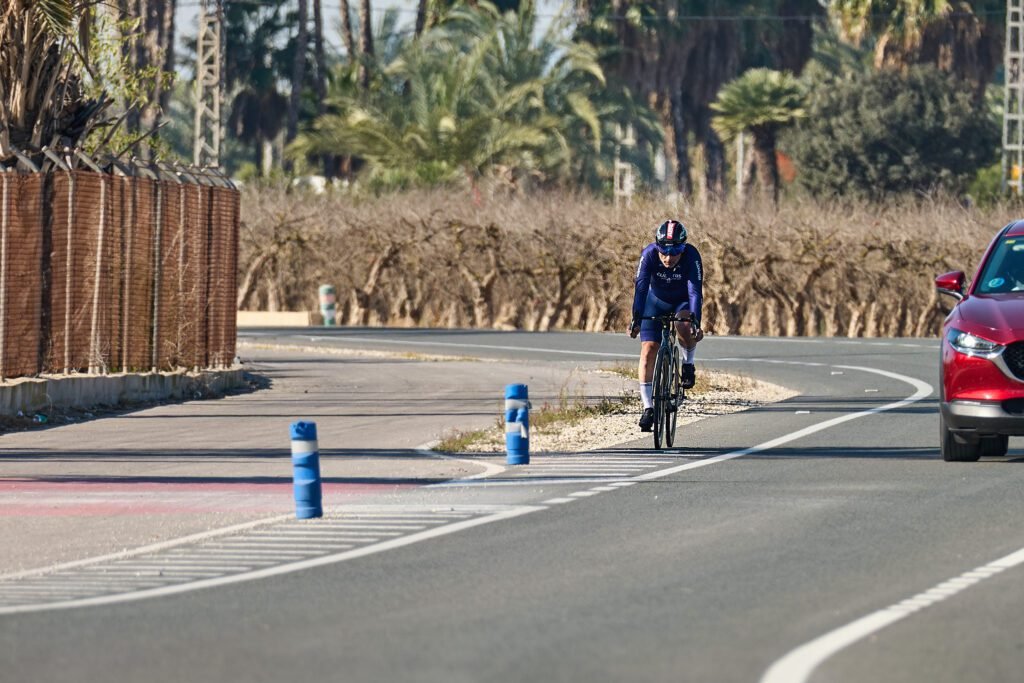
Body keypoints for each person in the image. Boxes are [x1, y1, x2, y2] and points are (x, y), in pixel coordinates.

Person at [629, 219, 704, 432]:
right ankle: (648, 407)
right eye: (664, 251)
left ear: (683, 248)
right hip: (656, 301)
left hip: (682, 300)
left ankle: (688, 363)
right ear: (657, 246)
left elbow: (695, 292)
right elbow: (641, 288)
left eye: (675, 252)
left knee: (683, 324)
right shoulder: (649, 254)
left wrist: (695, 322)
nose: (668, 258)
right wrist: (635, 319)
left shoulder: (691, 256)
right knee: (648, 349)